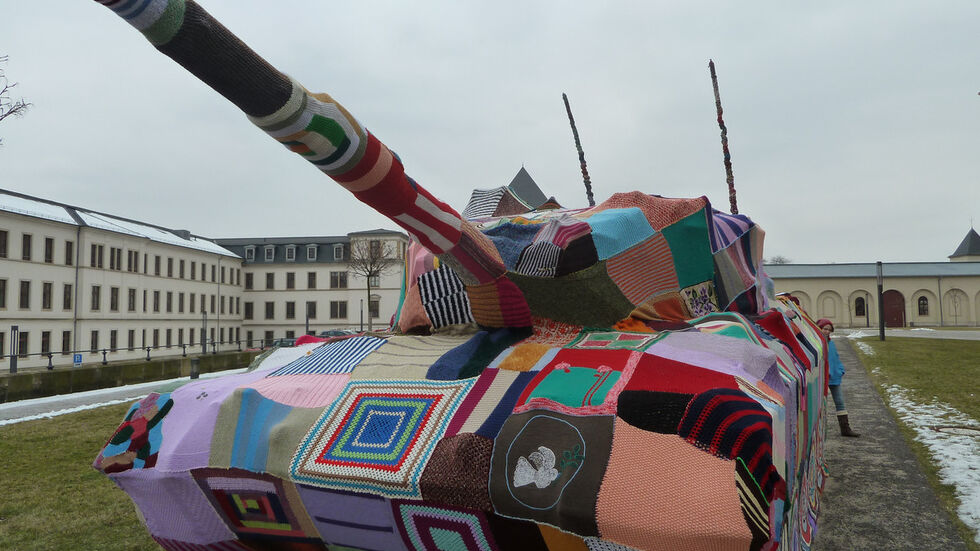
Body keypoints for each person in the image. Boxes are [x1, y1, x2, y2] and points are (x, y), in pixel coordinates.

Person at [817, 319, 860, 437]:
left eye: (829, 330)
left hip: (834, 378)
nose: (826, 332)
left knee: (840, 403)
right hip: (821, 379)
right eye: (824, 329)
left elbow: (836, 358)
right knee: (819, 405)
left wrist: (840, 370)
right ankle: (818, 432)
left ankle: (845, 429)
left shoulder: (831, 343)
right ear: (819, 328)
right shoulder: (816, 343)